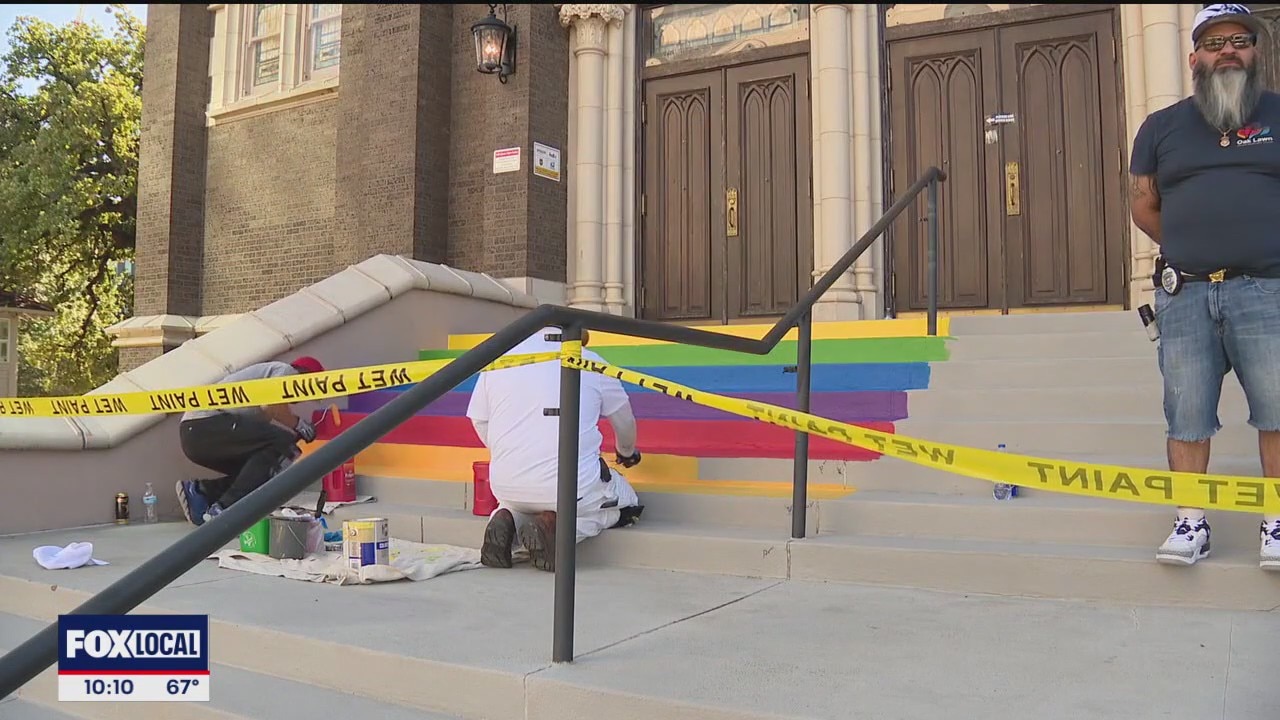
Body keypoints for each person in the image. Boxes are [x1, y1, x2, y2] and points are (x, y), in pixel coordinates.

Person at [1129, 3, 1280, 568]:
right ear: (1194, 57)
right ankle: (1190, 521)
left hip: (1267, 291)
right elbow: (1143, 205)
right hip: (1185, 294)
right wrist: (1194, 247)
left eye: (1240, 40)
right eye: (1214, 43)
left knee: (1277, 410)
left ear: (1256, 51)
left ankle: (1277, 520)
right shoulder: (1161, 127)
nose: (1228, 51)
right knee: (1186, 412)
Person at [466, 328, 644, 572]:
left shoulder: (499, 361)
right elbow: (624, 421)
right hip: (572, 488)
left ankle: (508, 521)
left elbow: (479, 420)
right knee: (620, 508)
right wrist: (627, 452)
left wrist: (506, 449)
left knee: (521, 504)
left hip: (506, 485)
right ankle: (554, 530)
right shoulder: (591, 361)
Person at [175, 356, 326, 525]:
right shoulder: (286, 371)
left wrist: (291, 438)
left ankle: (202, 492)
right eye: (310, 392)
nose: (303, 399)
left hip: (197, 435)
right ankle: (225, 509)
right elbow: (271, 405)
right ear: (306, 377)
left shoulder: (256, 412)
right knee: (281, 442)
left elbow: (266, 429)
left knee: (262, 469)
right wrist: (298, 425)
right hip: (203, 424)